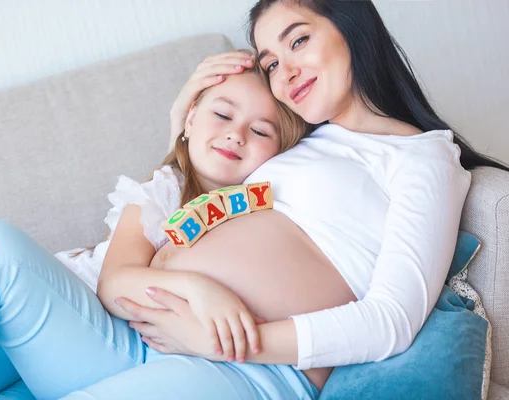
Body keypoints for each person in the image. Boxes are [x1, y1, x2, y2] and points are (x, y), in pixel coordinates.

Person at [96, 0, 509, 396]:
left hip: (239, 363)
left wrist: (221, 340)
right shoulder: (291, 138)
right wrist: (182, 114)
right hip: (150, 331)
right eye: (271, 64)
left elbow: (392, 321)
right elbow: (194, 185)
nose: (285, 73)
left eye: (297, 41)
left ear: (351, 27)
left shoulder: (423, 157)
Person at [0, 67, 310, 399]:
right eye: (222, 116)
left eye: (260, 131)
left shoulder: (262, 213)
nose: (236, 134)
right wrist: (199, 289)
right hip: (68, 304)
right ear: (189, 120)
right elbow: (115, 281)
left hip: (103, 339)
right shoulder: (164, 189)